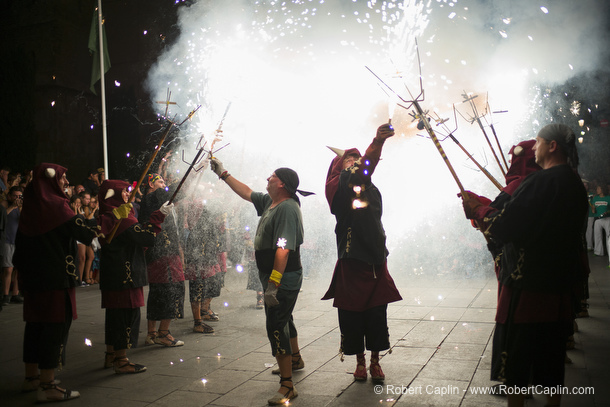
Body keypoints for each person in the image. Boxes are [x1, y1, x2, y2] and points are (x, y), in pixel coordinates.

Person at [461, 124, 588, 407]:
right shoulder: (574, 183)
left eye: (539, 142)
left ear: (552, 146)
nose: (535, 148)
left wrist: (479, 209)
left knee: (517, 363)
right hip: (557, 286)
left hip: (527, 285)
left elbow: (505, 227)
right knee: (551, 359)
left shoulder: (541, 182)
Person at [211, 158, 311, 406]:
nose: (268, 178)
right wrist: (223, 173)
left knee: (276, 324)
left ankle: (287, 386)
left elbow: (283, 249)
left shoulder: (287, 208)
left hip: (283, 276)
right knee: (285, 317)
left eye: (272, 176)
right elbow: (246, 192)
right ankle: (295, 359)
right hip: (273, 275)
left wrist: (273, 284)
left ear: (283, 184)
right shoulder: (271, 201)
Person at [322, 123, 402, 383]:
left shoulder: (367, 184)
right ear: (339, 166)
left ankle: (376, 361)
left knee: (377, 314)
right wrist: (377, 142)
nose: (355, 161)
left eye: (357, 157)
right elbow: (362, 170)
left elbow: (365, 175)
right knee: (351, 315)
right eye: (349, 158)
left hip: (376, 259)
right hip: (352, 259)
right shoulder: (340, 182)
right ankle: (359, 363)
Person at [14, 163, 97, 402]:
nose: (66, 183)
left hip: (33, 277)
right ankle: (47, 384)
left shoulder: (32, 204)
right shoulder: (56, 205)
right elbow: (82, 232)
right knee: (53, 326)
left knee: (35, 325)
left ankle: (32, 378)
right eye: (63, 178)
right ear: (51, 180)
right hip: (54, 276)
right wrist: (110, 217)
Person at [98, 179, 172, 373]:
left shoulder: (110, 215)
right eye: (123, 192)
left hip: (114, 275)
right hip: (125, 275)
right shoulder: (120, 217)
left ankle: (111, 355)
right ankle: (121, 360)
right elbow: (145, 236)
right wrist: (158, 217)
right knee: (124, 316)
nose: (127, 195)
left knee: (114, 317)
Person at [138, 173, 185, 347]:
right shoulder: (153, 197)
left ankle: (151, 333)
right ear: (150, 184)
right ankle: (163, 333)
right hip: (164, 254)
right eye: (160, 181)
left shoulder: (150, 200)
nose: (163, 185)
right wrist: (194, 171)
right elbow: (177, 191)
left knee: (157, 291)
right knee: (171, 289)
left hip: (159, 253)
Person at [2, 186, 24, 305]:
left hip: (17, 241)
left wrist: (20, 207)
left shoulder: (19, 207)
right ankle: (5, 295)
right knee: (8, 269)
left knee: (18, 269)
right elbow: (2, 216)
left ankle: (15, 294)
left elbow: (23, 220)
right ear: (10, 196)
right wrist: (13, 206)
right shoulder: (5, 204)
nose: (17, 198)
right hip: (7, 240)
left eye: (19, 196)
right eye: (15, 196)